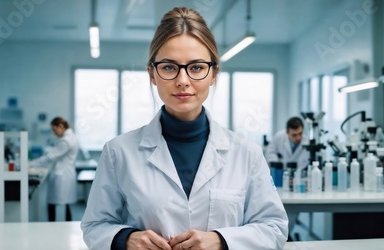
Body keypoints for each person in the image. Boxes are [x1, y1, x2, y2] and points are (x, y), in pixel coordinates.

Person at [81, 7, 288, 250]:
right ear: (152, 74)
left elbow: (274, 227)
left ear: (213, 74)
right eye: (169, 67)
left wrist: (222, 241)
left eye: (197, 67)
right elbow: (94, 225)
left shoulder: (246, 152)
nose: (183, 80)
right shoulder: (119, 152)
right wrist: (125, 239)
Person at [265, 116, 310, 240]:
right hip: (279, 180)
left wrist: (296, 178)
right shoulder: (279, 137)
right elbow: (270, 152)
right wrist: (276, 164)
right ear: (287, 132)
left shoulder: (306, 143)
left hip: (297, 182)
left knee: (292, 209)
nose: (298, 138)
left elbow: (304, 164)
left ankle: (286, 236)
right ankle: (282, 236)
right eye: (294, 135)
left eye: (300, 134)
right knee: (279, 207)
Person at [29, 116, 79, 221]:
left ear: (60, 126)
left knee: (53, 204)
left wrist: (31, 163)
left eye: (54, 129)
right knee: (65, 205)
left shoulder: (66, 140)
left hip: (62, 176)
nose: (54, 133)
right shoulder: (71, 137)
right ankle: (63, 227)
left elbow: (51, 156)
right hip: (66, 174)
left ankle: (53, 227)